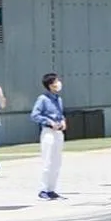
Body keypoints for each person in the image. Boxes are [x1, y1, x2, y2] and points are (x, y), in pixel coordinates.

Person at [30, 72, 66, 200]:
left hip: (58, 132)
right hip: (48, 132)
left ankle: (52, 189)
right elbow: (35, 115)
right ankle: (43, 189)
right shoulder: (43, 99)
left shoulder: (58, 99)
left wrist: (63, 121)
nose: (58, 84)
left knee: (57, 162)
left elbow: (60, 114)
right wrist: (48, 122)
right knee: (47, 161)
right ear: (50, 85)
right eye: (55, 82)